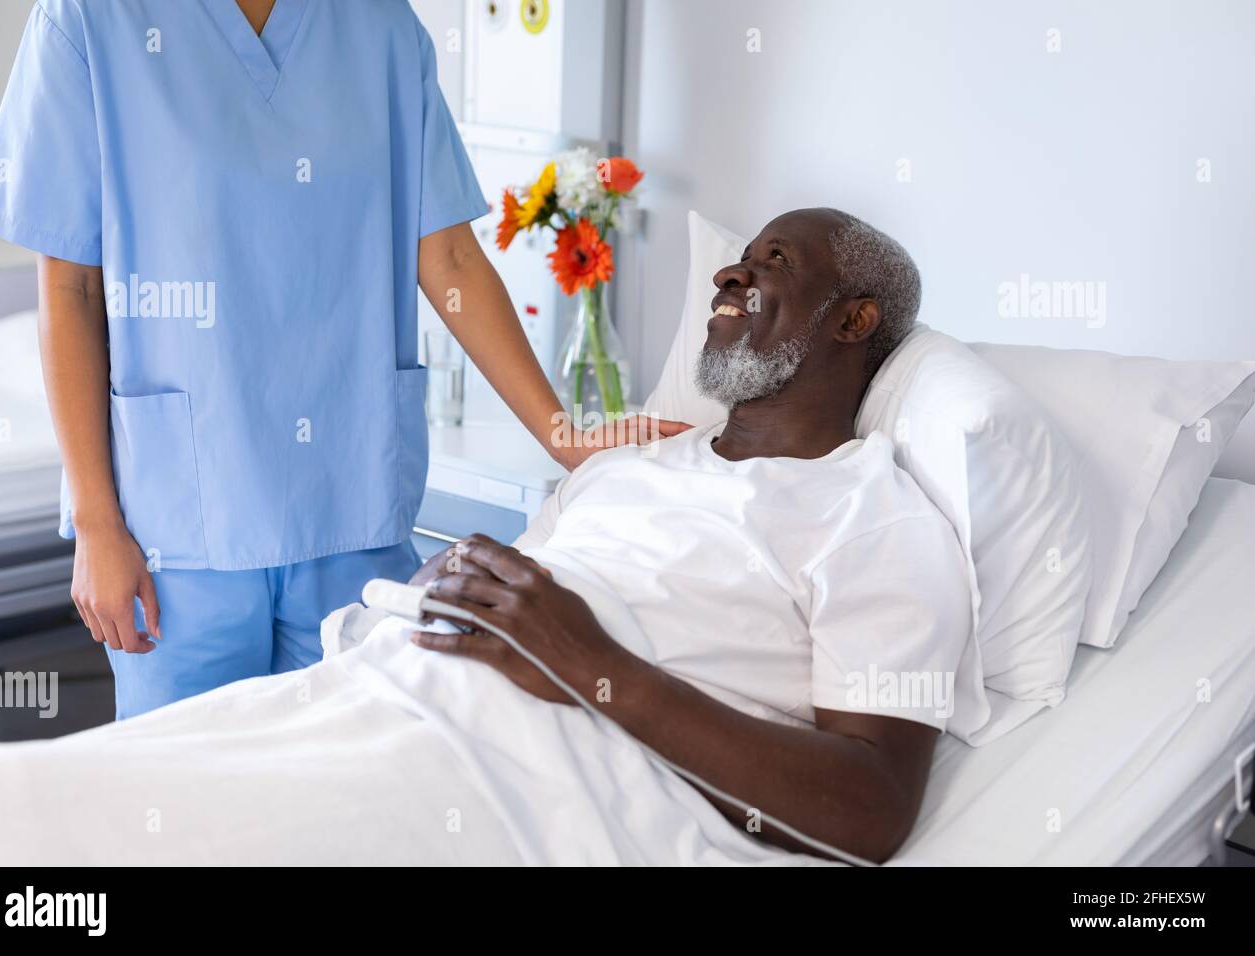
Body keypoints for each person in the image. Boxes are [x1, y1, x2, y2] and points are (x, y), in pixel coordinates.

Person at [0, 0, 683, 718]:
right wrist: (95, 524)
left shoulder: (380, 28)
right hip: (179, 539)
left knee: (350, 801)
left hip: (351, 518)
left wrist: (563, 437)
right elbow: (70, 287)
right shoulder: (91, 22)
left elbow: (451, 256)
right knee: (187, 811)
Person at [409, 208, 981, 861]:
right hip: (401, 699)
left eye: (777, 261)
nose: (729, 273)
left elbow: (872, 808)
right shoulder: (623, 463)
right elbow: (515, 606)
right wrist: (444, 584)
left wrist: (594, 668)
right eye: (744, 255)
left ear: (854, 320)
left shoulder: (874, 521)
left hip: (510, 789)